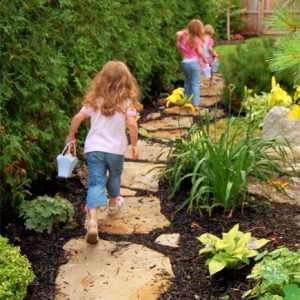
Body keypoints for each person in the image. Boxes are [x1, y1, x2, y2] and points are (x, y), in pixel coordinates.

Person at [65, 60, 143, 244]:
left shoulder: (95, 99)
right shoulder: (126, 101)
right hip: (115, 150)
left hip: (94, 149)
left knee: (95, 182)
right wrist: (134, 145)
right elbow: (132, 124)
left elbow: (78, 117)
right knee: (114, 176)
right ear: (125, 79)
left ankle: (92, 221)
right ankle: (113, 204)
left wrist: (71, 136)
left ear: (102, 78)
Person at [176, 19, 208, 106]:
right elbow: (200, 52)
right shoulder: (197, 40)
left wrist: (178, 41)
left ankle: (186, 102)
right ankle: (195, 104)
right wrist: (205, 59)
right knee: (195, 83)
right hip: (194, 64)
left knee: (187, 82)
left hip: (185, 63)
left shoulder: (184, 38)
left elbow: (178, 33)